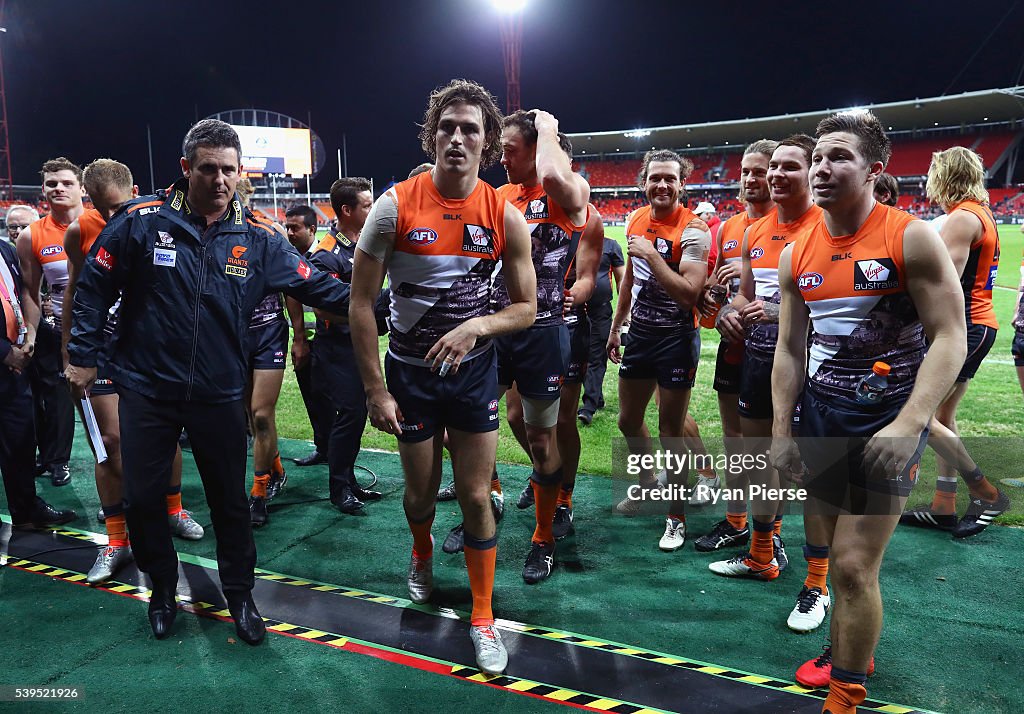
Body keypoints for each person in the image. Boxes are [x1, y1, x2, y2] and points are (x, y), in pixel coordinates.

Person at [66, 119, 351, 645]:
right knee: (144, 499)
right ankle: (162, 589)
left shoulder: (259, 238)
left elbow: (320, 288)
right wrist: (81, 356)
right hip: (148, 390)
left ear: (240, 172)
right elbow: (93, 290)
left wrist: (382, 304)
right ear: (185, 169)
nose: (220, 179)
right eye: (208, 168)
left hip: (219, 393)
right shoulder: (139, 222)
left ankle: (240, 596)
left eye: (229, 169)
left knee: (228, 503)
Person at [771, 111, 965, 713]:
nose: (823, 168)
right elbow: (789, 347)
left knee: (854, 568)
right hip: (819, 419)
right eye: (819, 158)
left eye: (839, 157)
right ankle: (848, 650)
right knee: (830, 552)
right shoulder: (798, 249)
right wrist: (782, 430)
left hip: (885, 428)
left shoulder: (910, 237)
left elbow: (951, 336)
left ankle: (846, 695)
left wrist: (909, 425)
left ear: (875, 170)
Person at [349, 79, 535, 674]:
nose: (458, 138)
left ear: (488, 144)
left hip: (475, 375)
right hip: (410, 377)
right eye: (448, 128)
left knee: (478, 494)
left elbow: (526, 308)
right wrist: (376, 388)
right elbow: (360, 303)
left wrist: (477, 326)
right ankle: (423, 553)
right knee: (421, 494)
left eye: (471, 129)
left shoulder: (503, 215)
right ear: (432, 136)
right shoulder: (393, 205)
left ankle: (483, 617)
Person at [63, 158, 204, 584]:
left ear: (137, 190)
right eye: (102, 209)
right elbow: (77, 294)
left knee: (164, 431)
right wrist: (72, 356)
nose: (112, 217)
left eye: (117, 206)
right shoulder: (80, 232)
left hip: (152, 352)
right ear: (89, 202)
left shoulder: (161, 221)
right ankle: (117, 539)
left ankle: (174, 509)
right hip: (103, 349)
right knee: (109, 441)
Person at [483, 110, 592, 580]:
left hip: (544, 331)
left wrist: (546, 127)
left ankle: (543, 536)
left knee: (544, 434)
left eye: (510, 149)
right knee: (479, 424)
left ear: (535, 147)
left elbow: (551, 174)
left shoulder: (572, 193)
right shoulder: (499, 195)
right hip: (495, 328)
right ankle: (485, 503)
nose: (502, 158)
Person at [712, 136, 822, 598]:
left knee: (812, 468)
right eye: (769, 167)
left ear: (810, 173)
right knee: (761, 457)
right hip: (761, 357)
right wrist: (729, 311)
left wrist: (780, 313)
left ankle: (819, 580)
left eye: (786, 167)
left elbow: (832, 302)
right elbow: (745, 291)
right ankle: (761, 554)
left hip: (812, 361)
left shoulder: (824, 225)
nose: (774, 175)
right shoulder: (755, 231)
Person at [899, 146, 1009, 537]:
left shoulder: (962, 218)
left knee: (921, 416)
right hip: (975, 324)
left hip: (964, 327)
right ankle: (944, 505)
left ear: (943, 176)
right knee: (942, 418)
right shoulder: (975, 214)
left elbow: (941, 281)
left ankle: (986, 492)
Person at [607, 149, 711, 551]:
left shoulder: (694, 230)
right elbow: (630, 283)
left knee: (671, 432)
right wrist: (617, 329)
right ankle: (648, 486)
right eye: (655, 178)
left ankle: (676, 517)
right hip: (642, 336)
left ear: (681, 184)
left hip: (676, 339)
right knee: (628, 421)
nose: (662, 185)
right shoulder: (635, 219)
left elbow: (689, 295)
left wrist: (652, 253)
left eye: (670, 178)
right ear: (643, 183)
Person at [694, 139, 777, 550]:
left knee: (772, 443)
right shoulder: (727, 227)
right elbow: (713, 289)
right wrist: (713, 297)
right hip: (735, 345)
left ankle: (771, 535)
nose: (750, 178)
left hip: (778, 351)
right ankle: (736, 520)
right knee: (733, 435)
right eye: (745, 170)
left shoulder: (792, 222)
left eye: (759, 170)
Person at [307, 177, 383, 514]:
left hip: (355, 345)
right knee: (350, 413)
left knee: (356, 415)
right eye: (367, 205)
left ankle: (349, 481)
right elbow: (322, 308)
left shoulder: (362, 246)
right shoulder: (326, 254)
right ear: (347, 210)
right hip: (336, 348)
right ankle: (339, 488)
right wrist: (368, 319)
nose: (373, 208)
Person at [1, 227, 76, 530]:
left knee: (19, 439)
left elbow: (22, 297)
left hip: (14, 365)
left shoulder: (5, 250)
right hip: (7, 356)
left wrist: (26, 343)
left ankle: (26, 509)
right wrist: (5, 351)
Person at [16, 158, 82, 488]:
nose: (58, 188)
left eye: (66, 183)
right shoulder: (31, 236)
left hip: (110, 331)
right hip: (57, 332)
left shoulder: (104, 224)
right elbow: (30, 291)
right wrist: (30, 333)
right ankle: (58, 460)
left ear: (82, 188)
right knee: (56, 396)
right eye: (51, 184)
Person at [233, 179, 290, 527]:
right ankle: (276, 468)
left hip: (269, 330)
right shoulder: (208, 232)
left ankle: (258, 494)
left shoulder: (270, 231)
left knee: (262, 414)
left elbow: (293, 285)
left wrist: (299, 335)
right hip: (232, 336)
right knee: (246, 417)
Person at [283, 204, 331, 467]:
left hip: (330, 339)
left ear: (312, 229)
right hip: (305, 339)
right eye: (287, 227)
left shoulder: (326, 255)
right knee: (310, 393)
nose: (290, 233)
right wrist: (298, 338)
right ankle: (322, 445)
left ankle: (338, 451)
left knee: (333, 397)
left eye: (295, 228)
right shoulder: (288, 256)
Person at [578, 218, 624, 424]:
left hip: (601, 309)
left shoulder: (611, 245)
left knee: (597, 354)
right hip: (576, 308)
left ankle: (588, 406)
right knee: (581, 354)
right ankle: (596, 395)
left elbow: (622, 279)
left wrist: (624, 314)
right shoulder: (574, 243)